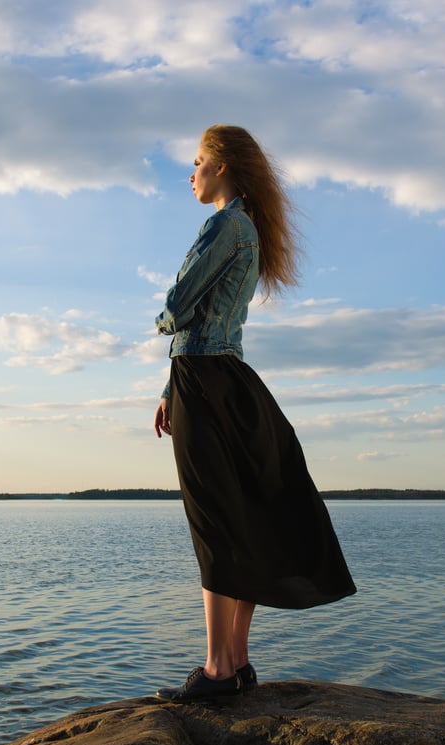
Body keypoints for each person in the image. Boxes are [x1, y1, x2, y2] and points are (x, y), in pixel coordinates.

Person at [152, 125, 357, 702]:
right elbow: (213, 324)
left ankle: (218, 670)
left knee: (216, 524)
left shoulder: (223, 225)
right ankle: (237, 663)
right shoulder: (250, 229)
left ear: (220, 167)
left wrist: (164, 325)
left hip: (206, 381)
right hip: (227, 380)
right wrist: (171, 388)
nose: (189, 174)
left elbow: (178, 308)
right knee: (235, 520)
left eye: (196, 163)